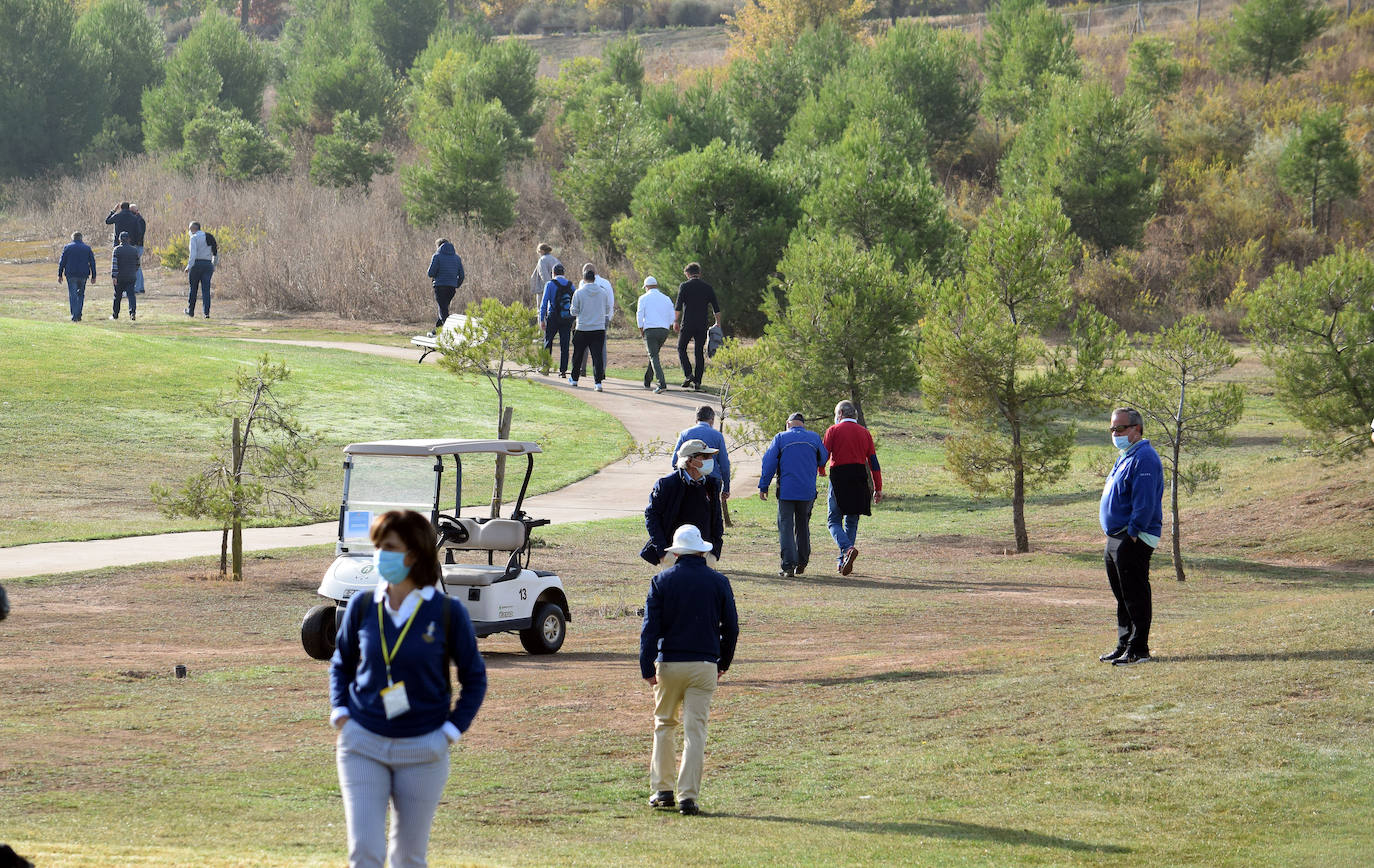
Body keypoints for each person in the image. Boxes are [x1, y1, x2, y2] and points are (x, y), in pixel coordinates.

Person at [330, 509, 487, 868]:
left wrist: (449, 732)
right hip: (362, 745)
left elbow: (475, 679)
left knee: (408, 858)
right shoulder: (362, 605)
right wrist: (340, 714)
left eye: (389, 546)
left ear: (413, 554)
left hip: (423, 749)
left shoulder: (447, 613)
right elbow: (342, 663)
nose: (379, 554)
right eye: (377, 546)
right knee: (365, 853)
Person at [639, 523, 738, 817]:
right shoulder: (718, 581)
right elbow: (731, 628)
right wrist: (723, 663)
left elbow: (649, 630)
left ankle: (663, 790)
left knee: (664, 725)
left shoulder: (661, 581)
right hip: (705, 664)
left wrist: (646, 666)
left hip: (669, 663)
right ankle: (688, 797)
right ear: (701, 551)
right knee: (695, 732)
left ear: (677, 553)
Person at [1098, 407, 1164, 667]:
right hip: (1117, 536)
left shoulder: (1145, 458)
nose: (1116, 433)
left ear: (1137, 429)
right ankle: (1124, 644)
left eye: (1121, 428)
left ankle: (1139, 649)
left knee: (1135, 594)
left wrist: (1133, 534)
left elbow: (1145, 503)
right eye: (1113, 429)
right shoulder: (1126, 455)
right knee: (1122, 595)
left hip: (1133, 536)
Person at [757, 412, 829, 578]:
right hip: (807, 491)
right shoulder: (814, 438)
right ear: (802, 424)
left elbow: (768, 463)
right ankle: (802, 562)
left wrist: (764, 486)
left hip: (786, 491)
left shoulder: (780, 438)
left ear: (788, 424)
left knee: (786, 526)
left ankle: (788, 565)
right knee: (803, 525)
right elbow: (823, 458)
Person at [822, 400, 883, 576]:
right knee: (851, 521)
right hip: (859, 477)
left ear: (839, 414)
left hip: (839, 476)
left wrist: (820, 470)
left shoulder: (833, 430)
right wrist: (878, 487)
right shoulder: (865, 433)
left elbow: (824, 455)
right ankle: (843, 561)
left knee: (833, 520)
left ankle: (847, 550)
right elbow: (874, 463)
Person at [643, 439, 725, 565]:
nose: (710, 460)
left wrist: (715, 552)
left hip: (704, 552)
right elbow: (652, 516)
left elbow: (717, 519)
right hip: (674, 553)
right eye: (705, 456)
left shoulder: (712, 484)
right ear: (690, 461)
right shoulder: (667, 484)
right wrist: (662, 552)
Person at [673, 262, 721, 391]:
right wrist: (718, 323)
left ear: (688, 274)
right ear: (699, 273)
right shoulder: (707, 287)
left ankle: (688, 374)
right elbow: (716, 308)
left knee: (681, 348)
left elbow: (678, 307)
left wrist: (675, 321)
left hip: (688, 323)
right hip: (702, 324)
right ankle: (698, 382)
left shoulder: (684, 286)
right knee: (698, 352)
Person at [568, 263, 614, 391]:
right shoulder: (603, 292)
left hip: (582, 327)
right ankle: (598, 382)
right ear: (595, 278)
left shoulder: (579, 292)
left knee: (578, 355)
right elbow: (607, 309)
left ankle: (575, 379)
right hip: (598, 328)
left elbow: (574, 311)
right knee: (597, 356)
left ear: (584, 279)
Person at [671, 405, 731, 501]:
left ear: (696, 419)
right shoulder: (717, 436)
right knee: (712, 512)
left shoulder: (685, 434)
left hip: (689, 480)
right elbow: (724, 464)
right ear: (712, 420)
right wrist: (726, 487)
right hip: (712, 481)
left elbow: (675, 460)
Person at [636, 275, 675, 393]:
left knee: (653, 356)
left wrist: (641, 329)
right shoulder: (666, 298)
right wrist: (667, 327)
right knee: (654, 355)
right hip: (664, 330)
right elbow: (672, 316)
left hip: (650, 330)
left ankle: (661, 383)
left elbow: (639, 315)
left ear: (646, 287)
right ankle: (647, 380)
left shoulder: (643, 298)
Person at [538, 263, 575, 378]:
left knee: (548, 342)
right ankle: (563, 371)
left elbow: (544, 303)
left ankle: (545, 367)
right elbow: (575, 303)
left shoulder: (550, 284)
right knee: (564, 345)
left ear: (553, 273)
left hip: (553, 316)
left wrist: (542, 319)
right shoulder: (571, 285)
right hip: (566, 318)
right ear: (564, 273)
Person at [426, 238, 465, 334]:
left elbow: (430, 273)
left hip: (440, 286)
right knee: (444, 308)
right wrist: (456, 285)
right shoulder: (457, 258)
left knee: (443, 310)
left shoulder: (437, 256)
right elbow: (462, 275)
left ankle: (450, 331)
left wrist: (437, 275)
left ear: (438, 246)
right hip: (451, 288)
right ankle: (437, 331)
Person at [57, 231, 96, 322]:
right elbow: (92, 263)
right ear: (81, 238)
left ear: (73, 238)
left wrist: (60, 274)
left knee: (73, 295)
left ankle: (74, 314)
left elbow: (62, 262)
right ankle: (79, 313)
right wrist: (94, 275)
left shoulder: (67, 248)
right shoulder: (87, 248)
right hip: (83, 274)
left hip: (71, 274)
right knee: (81, 294)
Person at [185, 221, 215, 318]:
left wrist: (189, 266)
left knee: (193, 288)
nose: (189, 231)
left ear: (194, 229)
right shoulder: (209, 236)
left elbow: (192, 254)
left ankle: (191, 310)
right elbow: (215, 252)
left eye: (190, 229)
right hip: (208, 264)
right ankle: (206, 312)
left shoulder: (194, 238)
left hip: (197, 264)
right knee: (206, 289)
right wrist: (213, 265)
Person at [110, 231, 140, 321]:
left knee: (117, 296)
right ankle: (132, 312)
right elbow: (138, 264)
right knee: (131, 296)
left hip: (120, 277)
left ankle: (115, 314)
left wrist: (114, 276)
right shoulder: (134, 250)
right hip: (131, 276)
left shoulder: (117, 250)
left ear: (119, 239)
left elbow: (114, 264)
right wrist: (133, 271)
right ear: (129, 239)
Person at [129, 203, 147, 293]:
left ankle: (138, 288)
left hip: (137, 246)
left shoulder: (139, 220)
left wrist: (135, 243)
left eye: (132, 211)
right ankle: (140, 287)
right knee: (137, 267)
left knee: (136, 267)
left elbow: (140, 234)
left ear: (136, 211)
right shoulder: (137, 219)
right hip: (138, 245)